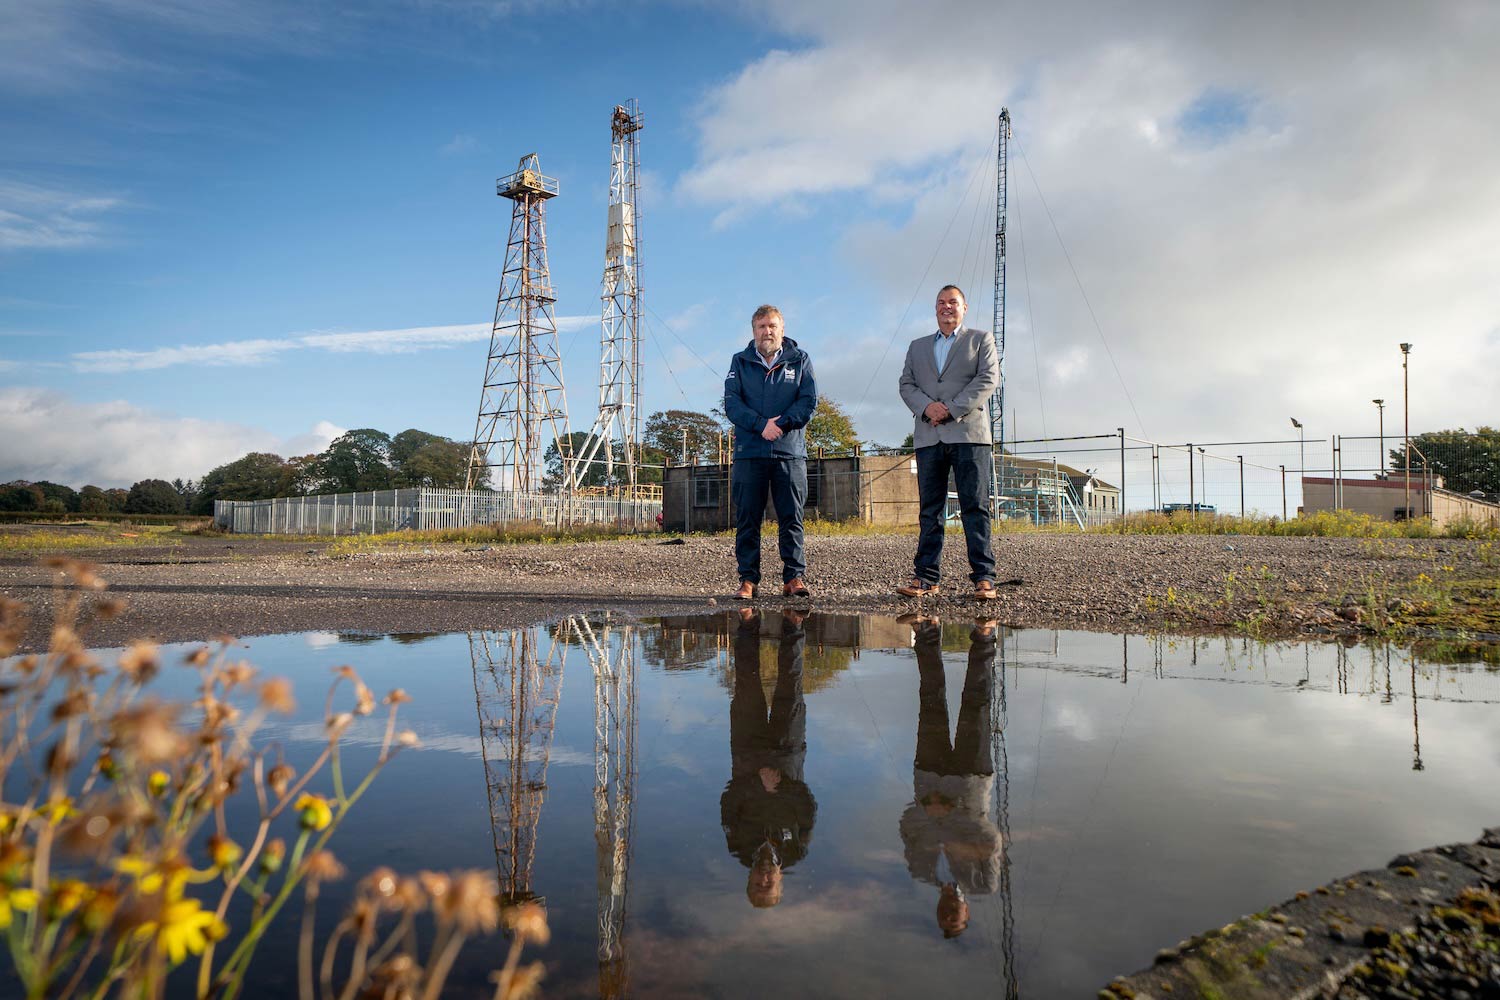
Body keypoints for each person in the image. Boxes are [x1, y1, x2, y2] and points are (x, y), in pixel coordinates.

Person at [898, 617, 1003, 937]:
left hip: (929, 779)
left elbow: (907, 824)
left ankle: (927, 633)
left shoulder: (920, 870)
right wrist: (953, 813)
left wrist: (929, 807)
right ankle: (984, 638)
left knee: (930, 700)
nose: (949, 911)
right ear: (966, 912)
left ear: (937, 910)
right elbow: (990, 838)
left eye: (944, 916)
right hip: (972, 781)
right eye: (954, 917)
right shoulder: (983, 884)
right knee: (977, 705)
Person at [896, 284, 1001, 600]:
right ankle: (926, 578)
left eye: (953, 302)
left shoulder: (980, 340)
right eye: (941, 303)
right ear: (935, 308)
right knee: (930, 511)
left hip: (969, 434)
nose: (946, 307)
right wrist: (928, 407)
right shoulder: (918, 347)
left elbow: (988, 379)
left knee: (974, 506)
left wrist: (952, 408)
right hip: (929, 436)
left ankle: (984, 577)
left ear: (964, 307)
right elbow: (907, 384)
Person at [720, 609, 817, 907]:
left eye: (758, 885)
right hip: (788, 750)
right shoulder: (797, 850)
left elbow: (729, 800)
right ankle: (793, 623)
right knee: (790, 681)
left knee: (747, 680)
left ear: (748, 880)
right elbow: (807, 804)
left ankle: (748, 623)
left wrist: (756, 781)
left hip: (748, 750)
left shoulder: (737, 845)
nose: (764, 879)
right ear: (780, 882)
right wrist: (779, 788)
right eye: (769, 885)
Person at [723, 305, 817, 600]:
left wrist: (782, 424)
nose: (768, 331)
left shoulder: (800, 360)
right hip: (750, 452)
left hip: (789, 452)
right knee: (748, 519)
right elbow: (732, 404)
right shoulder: (739, 361)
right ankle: (748, 580)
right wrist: (760, 425)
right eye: (762, 326)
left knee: (792, 517)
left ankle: (794, 578)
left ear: (782, 329)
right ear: (754, 331)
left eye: (772, 325)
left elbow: (808, 400)